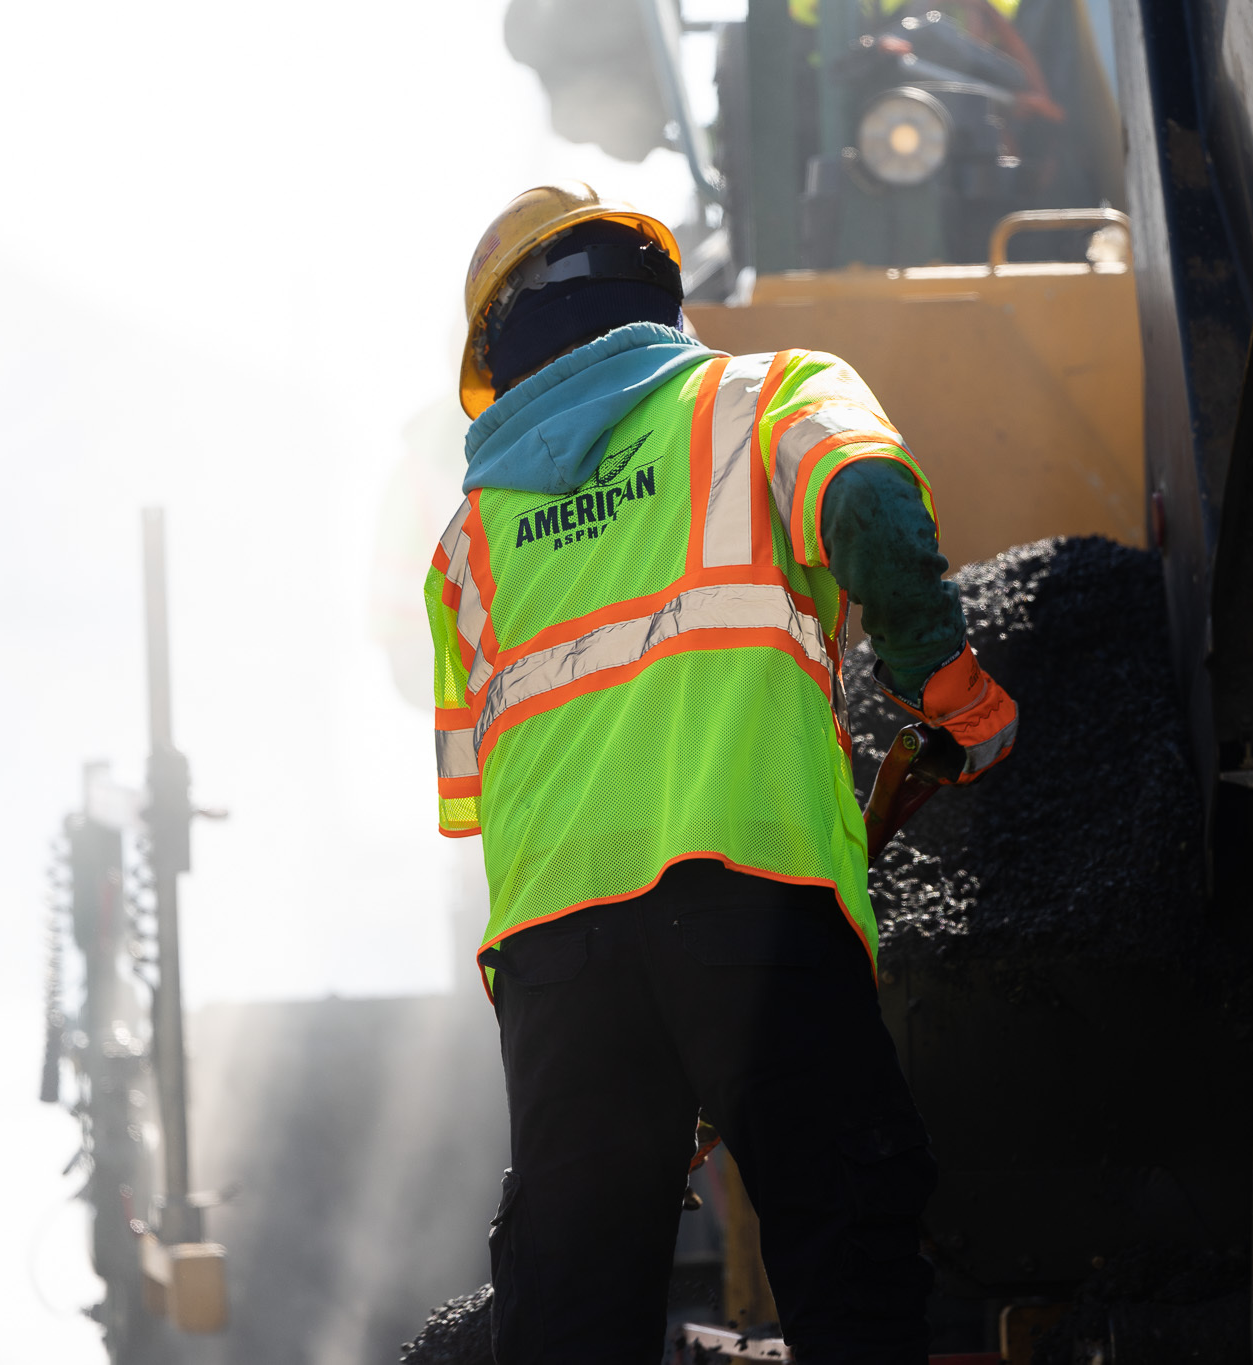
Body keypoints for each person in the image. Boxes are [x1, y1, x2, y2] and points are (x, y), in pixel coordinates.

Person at [425, 182, 1017, 1364]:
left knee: (574, 1311)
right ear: (656, 293)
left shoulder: (463, 546)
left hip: (556, 964)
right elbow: (865, 501)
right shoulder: (766, 396)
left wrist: (616, 1026)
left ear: (497, 354)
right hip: (757, 902)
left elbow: (477, 806)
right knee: (846, 1258)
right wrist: (946, 688)